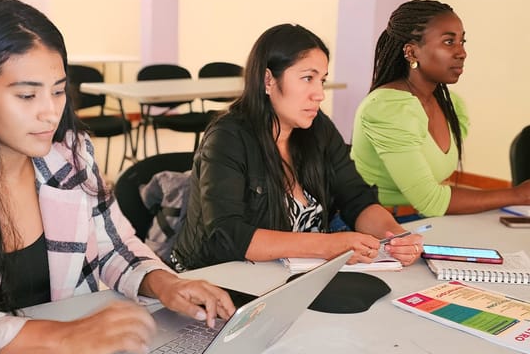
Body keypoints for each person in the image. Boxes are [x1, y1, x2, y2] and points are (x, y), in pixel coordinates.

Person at [0, 0, 234, 354]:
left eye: (58, 91)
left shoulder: (69, 156)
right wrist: (64, 336)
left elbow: (114, 246)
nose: (50, 112)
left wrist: (164, 283)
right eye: (26, 95)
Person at [172, 23, 423, 272]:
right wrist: (326, 245)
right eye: (307, 78)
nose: (319, 94)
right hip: (217, 282)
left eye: (321, 80)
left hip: (292, 279)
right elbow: (227, 235)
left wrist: (397, 236)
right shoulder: (228, 137)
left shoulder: (317, 128)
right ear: (267, 79)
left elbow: (356, 197)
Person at [351, 0, 530, 220]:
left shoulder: (452, 104)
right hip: (379, 228)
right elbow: (430, 200)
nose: (462, 52)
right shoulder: (387, 109)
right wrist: (517, 194)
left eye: (462, 42)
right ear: (412, 53)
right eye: (448, 42)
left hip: (427, 222)